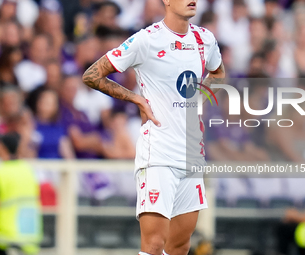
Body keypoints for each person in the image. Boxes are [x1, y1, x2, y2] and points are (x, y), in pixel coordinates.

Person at [82, 1, 224, 255]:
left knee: (180, 245)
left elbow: (218, 72)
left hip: (192, 153)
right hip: (158, 152)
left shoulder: (205, 39)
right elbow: (92, 75)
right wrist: (135, 98)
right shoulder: (147, 39)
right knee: (154, 244)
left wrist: (198, 98)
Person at [0, 132, 42, 255]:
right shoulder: (28, 170)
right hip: (30, 233)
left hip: (6, 235)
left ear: (3, 148)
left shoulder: (0, 173)